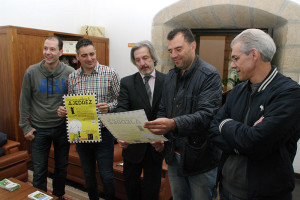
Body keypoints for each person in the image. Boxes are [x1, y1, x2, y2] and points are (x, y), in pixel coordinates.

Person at [209, 28, 300, 200]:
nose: (233, 65)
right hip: (227, 188)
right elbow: (213, 128)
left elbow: (256, 142)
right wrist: (243, 140)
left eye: (236, 58)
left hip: (265, 193)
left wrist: (226, 124)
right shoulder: (237, 92)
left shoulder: (289, 93)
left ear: (253, 54)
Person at [144, 27, 222, 200]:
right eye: (170, 50)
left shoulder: (209, 75)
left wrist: (173, 124)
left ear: (193, 46)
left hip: (200, 159)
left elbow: (206, 116)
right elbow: (163, 108)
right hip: (173, 155)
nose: (173, 55)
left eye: (178, 49)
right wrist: (159, 134)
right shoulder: (171, 76)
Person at [57, 38, 120, 200]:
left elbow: (121, 101)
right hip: (82, 134)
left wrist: (110, 107)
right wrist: (65, 110)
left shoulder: (110, 73)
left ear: (95, 53)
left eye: (92, 54)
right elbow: (71, 102)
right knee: (88, 175)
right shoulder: (73, 77)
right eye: (84, 55)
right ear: (77, 57)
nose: (89, 58)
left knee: (106, 176)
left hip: (104, 133)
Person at [19, 35, 75, 200]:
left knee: (61, 167)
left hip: (61, 128)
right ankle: (40, 197)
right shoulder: (31, 71)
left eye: (52, 49)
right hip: (39, 129)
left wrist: (68, 111)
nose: (48, 52)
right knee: (39, 169)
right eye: (45, 48)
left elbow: (74, 101)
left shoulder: (70, 73)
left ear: (61, 52)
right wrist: (25, 126)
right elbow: (24, 100)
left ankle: (58, 196)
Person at [116, 40, 166, 200]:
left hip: (156, 148)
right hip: (133, 147)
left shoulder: (168, 81)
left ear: (153, 57)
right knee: (132, 189)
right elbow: (121, 109)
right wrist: (121, 134)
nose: (142, 63)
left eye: (145, 58)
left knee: (152, 191)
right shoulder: (127, 82)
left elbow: (170, 113)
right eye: (138, 60)